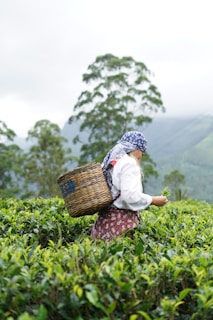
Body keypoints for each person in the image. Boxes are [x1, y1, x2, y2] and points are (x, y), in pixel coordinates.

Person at [91, 131, 168, 241]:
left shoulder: (111, 162)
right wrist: (153, 200)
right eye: (142, 151)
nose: (142, 155)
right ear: (136, 150)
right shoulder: (129, 164)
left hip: (103, 224)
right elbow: (129, 196)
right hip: (119, 224)